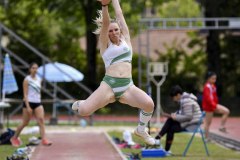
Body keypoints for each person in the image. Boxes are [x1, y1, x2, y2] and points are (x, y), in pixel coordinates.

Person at [72, 0, 155, 145]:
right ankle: (82, 103)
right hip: (109, 85)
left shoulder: (126, 40)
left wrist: (115, 1)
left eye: (116, 29)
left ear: (120, 30)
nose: (113, 32)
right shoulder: (104, 45)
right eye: (110, 31)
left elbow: (119, 14)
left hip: (127, 86)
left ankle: (141, 130)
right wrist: (104, 5)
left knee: (149, 104)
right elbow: (105, 24)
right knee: (84, 111)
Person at [10, 63, 52, 147]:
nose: (35, 70)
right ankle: (14, 138)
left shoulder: (39, 79)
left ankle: (44, 139)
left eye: (36, 68)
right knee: (25, 122)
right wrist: (28, 106)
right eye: (33, 68)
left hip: (38, 102)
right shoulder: (27, 79)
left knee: (41, 120)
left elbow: (38, 92)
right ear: (30, 69)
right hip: (28, 102)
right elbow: (25, 95)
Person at [155, 85, 201, 155]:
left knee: (171, 128)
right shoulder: (185, 99)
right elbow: (183, 113)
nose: (173, 99)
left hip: (192, 125)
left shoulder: (187, 101)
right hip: (189, 122)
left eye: (173, 97)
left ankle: (158, 139)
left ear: (178, 95)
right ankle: (159, 141)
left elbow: (189, 117)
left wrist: (175, 117)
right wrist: (174, 115)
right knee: (170, 121)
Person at [202, 71, 230, 140]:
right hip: (208, 107)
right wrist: (214, 105)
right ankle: (206, 138)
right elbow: (208, 98)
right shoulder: (207, 87)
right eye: (213, 78)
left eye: (215, 78)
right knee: (208, 123)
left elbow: (214, 97)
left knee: (226, 111)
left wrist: (215, 104)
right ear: (208, 79)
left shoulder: (213, 86)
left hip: (214, 105)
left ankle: (221, 127)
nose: (214, 80)